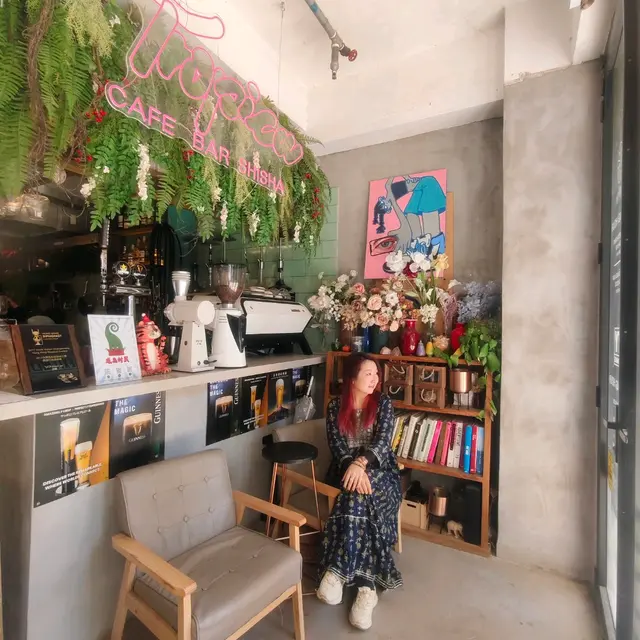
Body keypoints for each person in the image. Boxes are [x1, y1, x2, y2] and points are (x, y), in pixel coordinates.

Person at [317, 353, 402, 630]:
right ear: (352, 378)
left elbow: (383, 442)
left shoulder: (383, 404)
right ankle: (368, 588)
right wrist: (352, 466)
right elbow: (337, 446)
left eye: (376, 374)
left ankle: (338, 572)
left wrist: (361, 464)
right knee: (356, 490)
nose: (375, 379)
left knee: (356, 492)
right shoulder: (335, 407)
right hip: (344, 469)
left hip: (381, 471)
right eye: (368, 373)